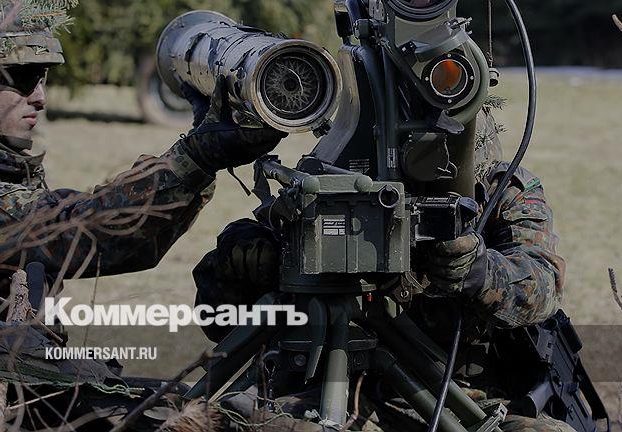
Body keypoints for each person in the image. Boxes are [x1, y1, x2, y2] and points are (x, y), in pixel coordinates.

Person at [0, 0, 285, 426]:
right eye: (22, 78)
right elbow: (80, 232)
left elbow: (121, 239)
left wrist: (196, 161)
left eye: (42, 77)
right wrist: (194, 157)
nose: (39, 96)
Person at [192, 114, 575, 431]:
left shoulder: (501, 192)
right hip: (334, 392)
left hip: (459, 398)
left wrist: (478, 271)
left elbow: (541, 287)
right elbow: (217, 320)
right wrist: (243, 261)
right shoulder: (335, 184)